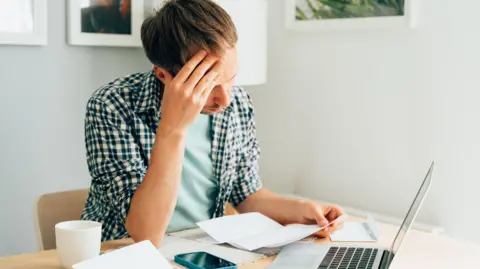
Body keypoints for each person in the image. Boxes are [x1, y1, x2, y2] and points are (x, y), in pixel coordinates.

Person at [80, 0, 345, 247]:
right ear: (163, 74)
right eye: (208, 85)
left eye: (231, 78)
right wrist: (173, 129)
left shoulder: (238, 102)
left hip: (204, 248)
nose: (226, 99)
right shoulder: (111, 105)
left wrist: (304, 211)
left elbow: (248, 196)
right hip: (123, 252)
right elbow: (144, 234)